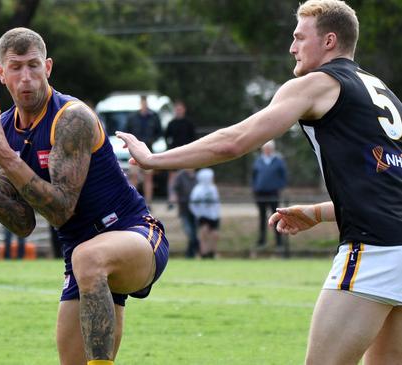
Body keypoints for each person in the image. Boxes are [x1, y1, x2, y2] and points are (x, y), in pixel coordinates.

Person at [117, 1, 402, 363]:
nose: (292, 47)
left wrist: (154, 160)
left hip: (373, 248)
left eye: (300, 37)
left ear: (329, 41)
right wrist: (315, 212)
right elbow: (391, 193)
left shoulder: (317, 84)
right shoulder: (380, 90)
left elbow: (234, 141)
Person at [0, 27, 169, 365]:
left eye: (34, 65)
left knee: (87, 257)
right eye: (16, 67)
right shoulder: (4, 132)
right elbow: (23, 224)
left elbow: (61, 211)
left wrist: (7, 159)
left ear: (48, 67)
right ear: (1, 74)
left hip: (135, 233)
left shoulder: (72, 118)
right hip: (83, 260)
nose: (27, 78)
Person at [124, 95, 162, 207]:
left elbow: (159, 132)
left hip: (148, 150)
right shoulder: (132, 117)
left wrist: (151, 140)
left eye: (145, 103)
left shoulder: (154, 117)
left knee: (148, 178)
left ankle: (148, 203)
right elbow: (127, 131)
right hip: (134, 151)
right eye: (142, 103)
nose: (144, 105)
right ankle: (133, 202)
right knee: (134, 176)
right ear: (140, 103)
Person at [252, 140, 287, 248]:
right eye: (265, 148)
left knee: (276, 216)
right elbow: (253, 176)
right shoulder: (258, 160)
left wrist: (278, 186)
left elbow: (284, 176)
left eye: (269, 148)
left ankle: (279, 242)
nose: (267, 150)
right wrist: (255, 187)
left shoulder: (278, 160)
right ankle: (262, 241)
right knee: (262, 218)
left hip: (273, 193)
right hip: (260, 193)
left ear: (272, 149)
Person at [165, 100, 197, 208]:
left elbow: (194, 138)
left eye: (180, 108)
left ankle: (191, 198)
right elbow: (167, 137)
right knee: (172, 177)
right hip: (174, 153)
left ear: (184, 110)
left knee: (189, 175)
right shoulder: (171, 123)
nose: (178, 111)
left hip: (187, 153)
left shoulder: (189, 123)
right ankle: (172, 199)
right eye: (177, 109)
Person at [188, 168, 220, 259]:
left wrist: (216, 213)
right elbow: (193, 203)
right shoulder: (198, 189)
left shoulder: (213, 188)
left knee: (214, 234)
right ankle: (203, 253)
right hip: (203, 215)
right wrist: (198, 213)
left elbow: (216, 202)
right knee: (204, 233)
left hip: (213, 215)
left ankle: (212, 252)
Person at [172, 168, 200, 258]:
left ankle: (191, 253)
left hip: (196, 211)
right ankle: (191, 253)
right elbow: (174, 189)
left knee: (195, 233)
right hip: (184, 209)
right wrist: (173, 199)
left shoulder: (197, 176)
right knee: (190, 232)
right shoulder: (180, 176)